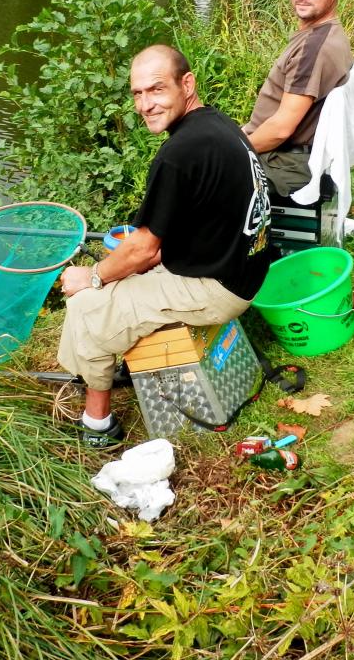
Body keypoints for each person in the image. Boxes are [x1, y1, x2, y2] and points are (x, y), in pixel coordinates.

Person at [57, 44, 273, 448]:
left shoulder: (179, 153)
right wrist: (123, 267)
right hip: (245, 267)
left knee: (87, 306)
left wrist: (92, 276)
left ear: (186, 84)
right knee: (113, 286)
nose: (145, 104)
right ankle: (108, 364)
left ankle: (97, 425)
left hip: (219, 286)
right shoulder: (218, 126)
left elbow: (143, 249)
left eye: (156, 89)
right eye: (137, 94)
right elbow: (157, 241)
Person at [242, 0, 354, 196]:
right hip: (281, 151)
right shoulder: (326, 33)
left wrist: (233, 151)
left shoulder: (314, 48)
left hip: (285, 162)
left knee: (197, 174)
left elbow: (281, 129)